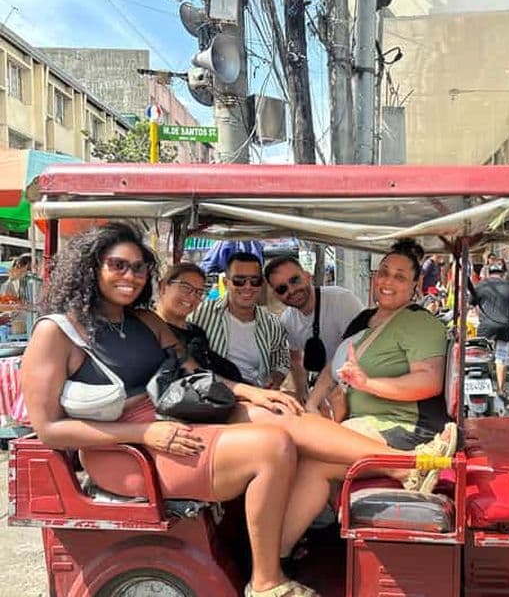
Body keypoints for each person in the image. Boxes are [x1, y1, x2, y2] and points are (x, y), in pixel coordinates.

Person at [22, 223, 456, 597]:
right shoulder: (57, 333)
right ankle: (266, 580)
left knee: (282, 415)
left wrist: (252, 394)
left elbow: (197, 375)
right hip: (124, 452)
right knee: (273, 447)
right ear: (91, 266)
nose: (130, 276)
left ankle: (404, 466)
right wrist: (141, 435)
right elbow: (50, 429)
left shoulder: (144, 322)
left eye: (138, 268)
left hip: (175, 420)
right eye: (118, 265)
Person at [304, 238, 450, 451]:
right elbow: (333, 368)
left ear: (415, 285)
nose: (388, 282)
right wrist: (311, 405)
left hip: (403, 428)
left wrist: (366, 384)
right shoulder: (363, 319)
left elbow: (429, 380)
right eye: (384, 273)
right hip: (357, 421)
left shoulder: (420, 322)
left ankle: (404, 470)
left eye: (399, 277)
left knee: (307, 450)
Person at [263, 255, 363, 402]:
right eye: (282, 289)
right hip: (327, 387)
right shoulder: (288, 320)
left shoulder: (341, 300)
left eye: (295, 280)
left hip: (357, 383)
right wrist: (303, 394)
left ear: (307, 276)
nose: (291, 290)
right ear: (276, 295)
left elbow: (361, 349)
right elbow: (295, 360)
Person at [190, 252, 289, 389]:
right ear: (226, 282)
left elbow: (281, 359)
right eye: (239, 280)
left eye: (255, 281)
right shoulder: (200, 314)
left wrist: (275, 378)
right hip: (213, 396)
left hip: (257, 396)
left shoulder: (271, 323)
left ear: (261, 284)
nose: (247, 287)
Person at [155, 262, 243, 382]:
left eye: (199, 292)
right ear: (163, 287)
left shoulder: (196, 332)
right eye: (186, 288)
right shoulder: (151, 331)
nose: (192, 297)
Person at [469, 262, 509, 401]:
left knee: (483, 357)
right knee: (501, 359)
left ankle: (484, 385)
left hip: (485, 328)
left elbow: (469, 306)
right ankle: (500, 390)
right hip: (505, 327)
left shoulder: (481, 286)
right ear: (504, 272)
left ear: (489, 272)